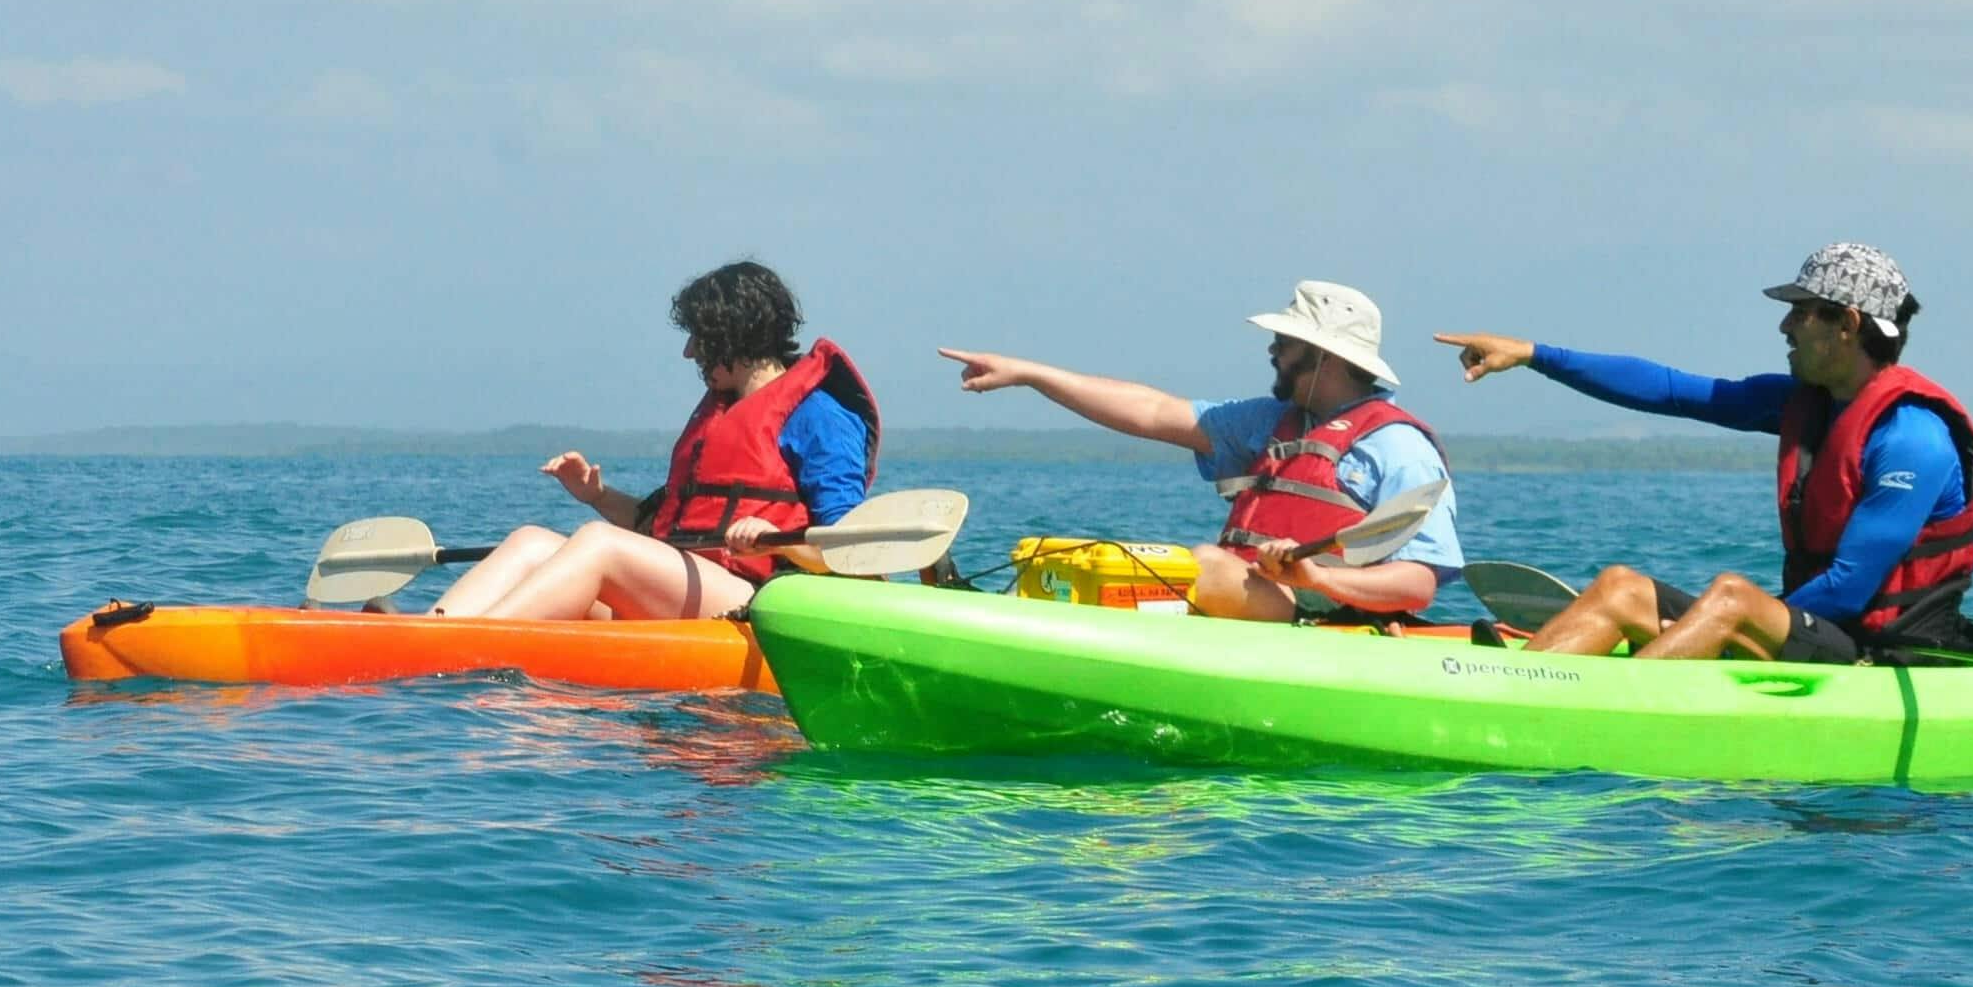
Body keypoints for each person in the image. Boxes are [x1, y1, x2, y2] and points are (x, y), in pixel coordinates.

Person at [1435, 243, 1973, 663]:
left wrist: (1712, 625)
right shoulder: (1804, 404)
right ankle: (1516, 694)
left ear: (1848, 325)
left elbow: (1849, 589)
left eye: (1802, 311)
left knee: (1732, 597)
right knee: (1621, 589)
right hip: (1810, 629)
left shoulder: (1912, 437)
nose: (1785, 325)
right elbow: (1670, 389)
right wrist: (1533, 355)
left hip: (1884, 654)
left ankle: (1610, 707)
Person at [939, 280, 1462, 622]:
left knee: (1206, 564)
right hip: (1248, 601)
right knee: (1110, 564)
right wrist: (1032, 375)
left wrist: (1318, 577)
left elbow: (1417, 584)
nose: (1272, 350)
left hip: (1324, 616)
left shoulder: (1398, 447)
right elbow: (1151, 411)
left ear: (1324, 356)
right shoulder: (1269, 422)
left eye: (1286, 341)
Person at [432, 260, 877, 621]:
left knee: (599, 544)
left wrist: (778, 538)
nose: (689, 353)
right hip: (686, 591)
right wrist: (597, 495)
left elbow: (852, 553)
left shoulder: (820, 418)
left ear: (735, 335)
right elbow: (663, 530)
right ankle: (431, 630)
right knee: (531, 541)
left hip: (759, 601)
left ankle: (469, 646)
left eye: (700, 338)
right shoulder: (720, 412)